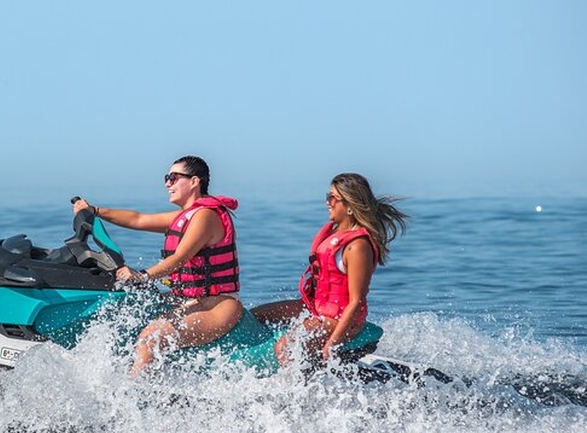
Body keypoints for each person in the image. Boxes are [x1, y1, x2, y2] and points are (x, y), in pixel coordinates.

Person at [72, 155, 243, 376]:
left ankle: (130, 400)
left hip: (216, 305)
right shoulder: (185, 216)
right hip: (187, 299)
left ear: (194, 181)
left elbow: (179, 259)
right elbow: (138, 219)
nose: (167, 184)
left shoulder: (206, 216)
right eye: (166, 178)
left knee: (149, 340)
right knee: (124, 309)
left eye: (174, 177)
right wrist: (94, 210)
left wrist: (141, 275)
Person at [251, 173, 407, 370]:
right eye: (328, 196)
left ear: (350, 206)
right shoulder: (333, 235)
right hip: (316, 307)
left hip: (339, 317)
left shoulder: (357, 247)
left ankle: (297, 394)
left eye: (334, 198)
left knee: (286, 347)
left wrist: (332, 344)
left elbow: (356, 301)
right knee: (256, 315)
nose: (328, 202)